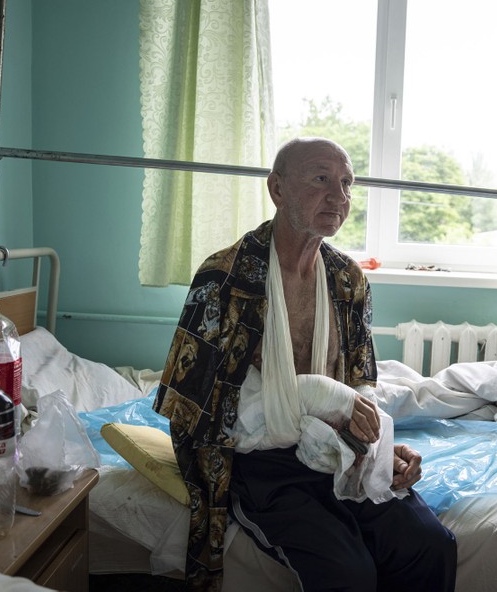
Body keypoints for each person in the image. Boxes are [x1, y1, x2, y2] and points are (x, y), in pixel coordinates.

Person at [153, 137, 457, 592]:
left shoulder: (347, 280)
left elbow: (358, 386)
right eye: (320, 179)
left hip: (335, 453)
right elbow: (195, 413)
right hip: (262, 464)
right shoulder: (226, 278)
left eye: (347, 184)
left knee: (432, 545)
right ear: (277, 189)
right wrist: (314, 397)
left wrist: (377, 447)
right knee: (348, 574)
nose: (339, 197)